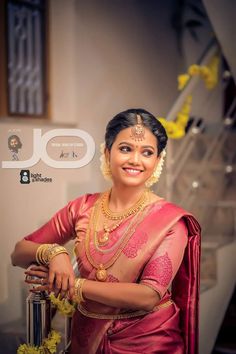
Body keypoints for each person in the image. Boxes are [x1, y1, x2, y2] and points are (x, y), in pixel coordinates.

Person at [11, 108, 201, 354]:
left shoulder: (171, 222)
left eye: (147, 152)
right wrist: (54, 253)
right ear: (107, 152)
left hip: (147, 343)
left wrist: (72, 286)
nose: (135, 160)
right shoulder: (82, 207)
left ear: (157, 161)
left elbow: (148, 295)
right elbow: (19, 253)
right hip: (86, 338)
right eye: (125, 149)